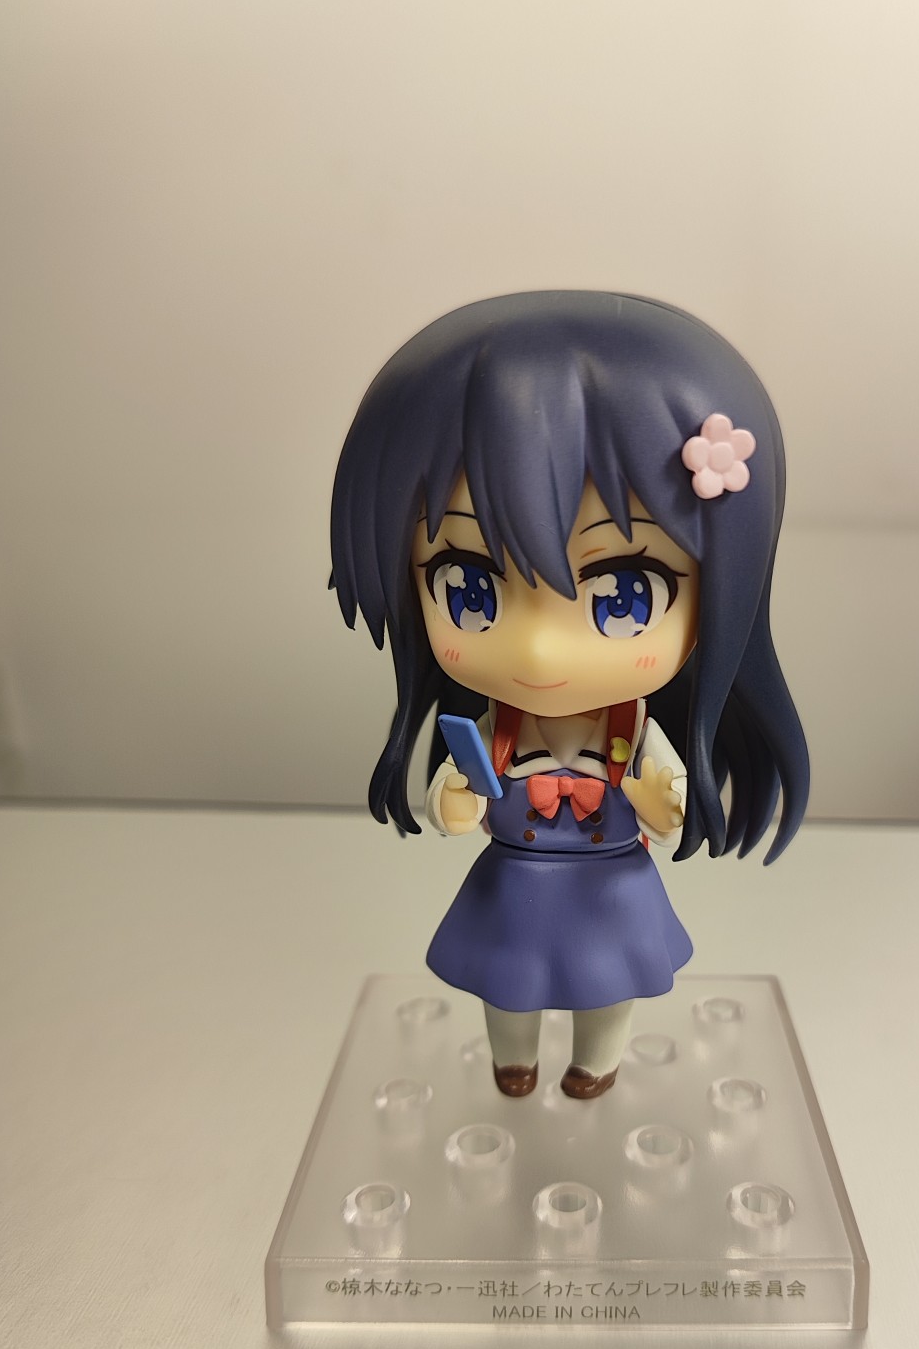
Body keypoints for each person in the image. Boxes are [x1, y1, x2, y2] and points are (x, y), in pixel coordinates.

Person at [330, 291, 808, 1098]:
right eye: (467, 587)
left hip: (611, 883)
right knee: (504, 983)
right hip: (514, 882)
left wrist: (659, 798)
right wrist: (457, 800)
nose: (539, 651)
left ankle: (597, 1062)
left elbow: (667, 808)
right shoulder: (493, 730)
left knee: (608, 985)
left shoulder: (632, 732)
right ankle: (513, 1059)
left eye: (624, 593)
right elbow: (454, 801)